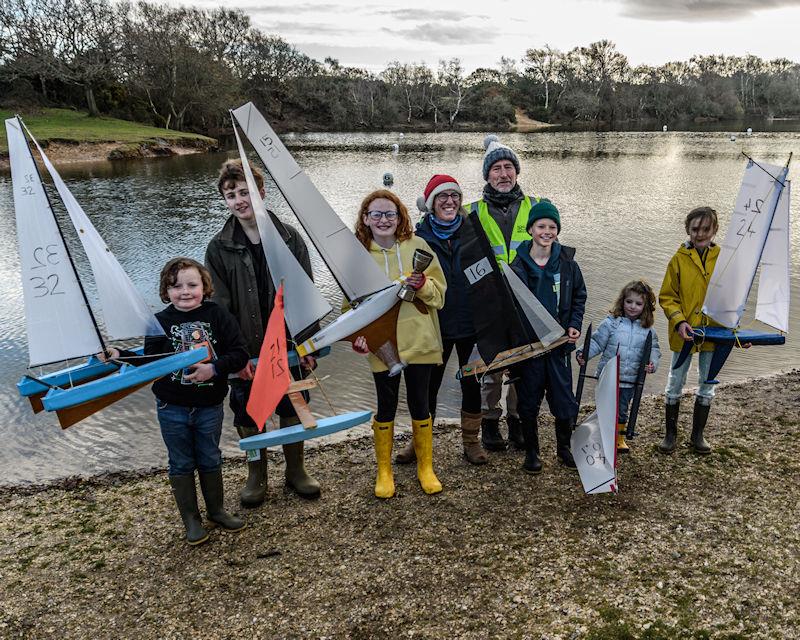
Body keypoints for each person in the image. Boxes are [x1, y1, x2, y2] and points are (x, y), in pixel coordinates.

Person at [103, 257, 249, 545]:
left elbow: (240, 353)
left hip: (209, 405)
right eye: (176, 286)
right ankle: (191, 520)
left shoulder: (217, 315)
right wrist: (120, 355)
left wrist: (214, 368)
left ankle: (217, 511)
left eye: (192, 285)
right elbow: (150, 362)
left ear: (204, 286)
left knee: (209, 456)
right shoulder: (158, 321)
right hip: (172, 407)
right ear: (166, 291)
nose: (185, 291)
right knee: (181, 462)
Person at [205, 159, 320, 507]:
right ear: (224, 200)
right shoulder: (218, 248)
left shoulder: (289, 238)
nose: (239, 200)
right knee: (248, 411)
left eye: (245, 192)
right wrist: (234, 357)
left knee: (291, 404)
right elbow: (218, 310)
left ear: (262, 192)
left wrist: (307, 344)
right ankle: (257, 474)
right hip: (246, 352)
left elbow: (306, 293)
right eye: (231, 195)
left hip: (287, 345)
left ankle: (295, 470)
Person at [351, 189, 446, 498]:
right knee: (386, 405)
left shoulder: (418, 246)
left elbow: (440, 296)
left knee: (420, 402)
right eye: (376, 214)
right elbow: (348, 310)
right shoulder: (358, 256)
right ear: (365, 219)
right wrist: (358, 339)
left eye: (389, 214)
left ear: (400, 216)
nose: (383, 220)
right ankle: (384, 471)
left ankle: (425, 468)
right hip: (382, 344)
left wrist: (424, 286)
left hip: (419, 338)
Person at [464, 135, 544, 452]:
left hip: (527, 302)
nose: (503, 174)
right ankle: (490, 423)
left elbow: (552, 252)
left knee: (525, 367)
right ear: (487, 175)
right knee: (491, 367)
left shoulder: (536, 207)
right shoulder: (472, 211)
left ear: (516, 172)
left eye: (508, 167)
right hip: (490, 304)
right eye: (495, 168)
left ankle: (518, 421)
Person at [410, 174, 486, 465]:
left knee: (471, 384)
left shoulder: (473, 233)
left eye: (454, 196)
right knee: (427, 386)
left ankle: (471, 442)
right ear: (431, 203)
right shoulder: (418, 238)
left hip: (470, 324)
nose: (450, 201)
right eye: (442, 196)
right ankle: (420, 443)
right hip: (434, 323)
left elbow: (486, 279)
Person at [509, 200, 586, 474]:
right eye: (541, 225)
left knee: (563, 401)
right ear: (531, 229)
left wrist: (574, 324)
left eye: (552, 226)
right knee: (528, 402)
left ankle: (564, 449)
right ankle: (532, 453)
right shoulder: (517, 265)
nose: (547, 231)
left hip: (559, 348)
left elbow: (579, 296)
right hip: (530, 350)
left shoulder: (568, 264)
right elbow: (510, 308)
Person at [658, 206, 722, 455]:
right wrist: (679, 321)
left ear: (714, 230)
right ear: (688, 230)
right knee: (675, 381)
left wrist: (735, 335)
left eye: (706, 229)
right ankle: (670, 435)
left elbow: (732, 299)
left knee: (707, 382)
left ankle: (698, 435)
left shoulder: (724, 260)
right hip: (683, 332)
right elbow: (667, 296)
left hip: (715, 333)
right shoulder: (678, 259)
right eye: (695, 229)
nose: (700, 234)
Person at [576, 280, 661, 453]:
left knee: (622, 409)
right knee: (605, 407)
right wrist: (583, 353)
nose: (632, 306)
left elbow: (654, 350)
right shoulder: (611, 323)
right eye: (629, 301)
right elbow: (597, 342)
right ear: (622, 301)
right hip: (608, 376)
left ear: (645, 307)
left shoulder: (648, 331)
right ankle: (601, 434)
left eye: (638, 303)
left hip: (630, 380)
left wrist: (652, 364)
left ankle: (619, 438)